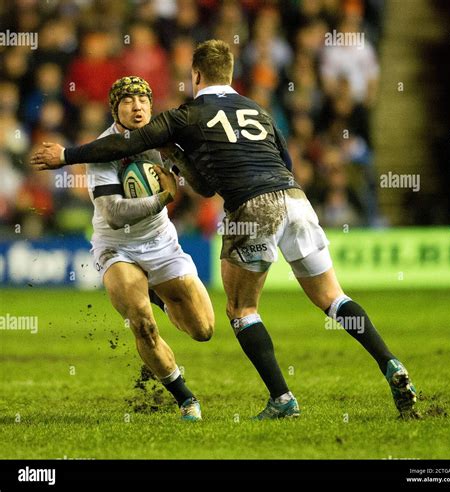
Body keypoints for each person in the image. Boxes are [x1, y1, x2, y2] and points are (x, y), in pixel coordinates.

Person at [31, 41, 417, 419]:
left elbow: (130, 144)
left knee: (242, 309)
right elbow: (281, 160)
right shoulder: (259, 110)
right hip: (295, 198)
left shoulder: (186, 116)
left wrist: (65, 156)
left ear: (195, 75)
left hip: (253, 206)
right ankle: (391, 363)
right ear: (230, 75)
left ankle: (282, 397)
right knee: (332, 297)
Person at [52, 76, 215, 421]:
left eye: (142, 100)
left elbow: (202, 184)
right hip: (117, 248)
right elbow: (112, 214)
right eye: (127, 101)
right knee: (142, 324)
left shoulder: (163, 139)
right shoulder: (102, 150)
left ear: (151, 106)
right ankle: (185, 398)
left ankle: (160, 296)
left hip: (161, 243)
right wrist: (163, 198)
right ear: (115, 109)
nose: (136, 106)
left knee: (203, 330)